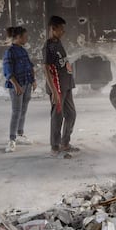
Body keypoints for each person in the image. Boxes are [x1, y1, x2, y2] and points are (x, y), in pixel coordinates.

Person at [43, 15, 78, 157]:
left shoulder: (58, 42)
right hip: (57, 87)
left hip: (66, 85)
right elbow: (46, 69)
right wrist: (54, 92)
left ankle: (65, 143)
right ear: (53, 28)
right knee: (57, 116)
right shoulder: (48, 47)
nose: (63, 31)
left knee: (71, 114)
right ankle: (55, 146)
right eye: (61, 29)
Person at [2, 26, 36, 153]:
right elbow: (7, 72)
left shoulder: (23, 50)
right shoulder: (10, 52)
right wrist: (16, 85)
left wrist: (33, 81)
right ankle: (11, 139)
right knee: (16, 112)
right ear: (18, 37)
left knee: (23, 110)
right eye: (25, 37)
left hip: (26, 84)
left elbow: (29, 66)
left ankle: (20, 134)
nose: (27, 39)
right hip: (17, 86)